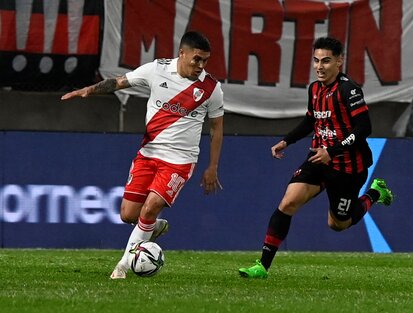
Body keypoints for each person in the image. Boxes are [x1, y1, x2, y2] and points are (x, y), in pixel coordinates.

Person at [61, 31, 224, 279]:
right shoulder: (156, 70)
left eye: (205, 61)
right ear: (182, 53)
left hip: (179, 161)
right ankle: (152, 228)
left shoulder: (211, 88)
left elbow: (216, 127)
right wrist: (88, 90)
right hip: (148, 154)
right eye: (196, 59)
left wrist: (212, 166)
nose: (200, 66)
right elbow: (118, 82)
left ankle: (123, 267)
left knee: (150, 209)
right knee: (128, 215)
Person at [238, 37, 393, 279]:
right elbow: (311, 120)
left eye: (326, 61)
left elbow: (364, 127)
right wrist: (287, 140)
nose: (320, 66)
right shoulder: (314, 89)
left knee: (338, 224)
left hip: (347, 166)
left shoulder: (348, 90)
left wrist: (332, 151)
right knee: (288, 202)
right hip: (318, 159)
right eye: (316, 60)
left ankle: (375, 193)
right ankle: (262, 266)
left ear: (339, 61)